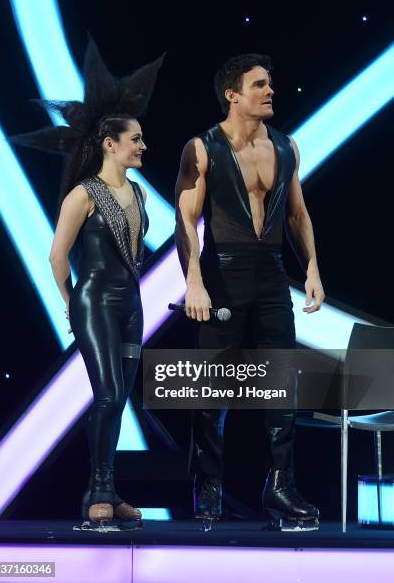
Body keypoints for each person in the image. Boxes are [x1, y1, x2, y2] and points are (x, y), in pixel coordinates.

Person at [12, 37, 164, 529]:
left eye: (142, 139)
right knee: (106, 393)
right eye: (135, 139)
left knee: (119, 398)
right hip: (94, 300)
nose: (143, 146)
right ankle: (97, 491)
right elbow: (57, 254)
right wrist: (69, 302)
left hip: (131, 304)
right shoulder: (83, 193)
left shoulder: (139, 193)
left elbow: (138, 251)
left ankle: (109, 486)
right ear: (109, 144)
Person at [175, 53, 324, 531]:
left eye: (270, 84)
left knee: (280, 382)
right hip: (222, 274)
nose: (270, 91)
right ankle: (209, 486)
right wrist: (194, 281)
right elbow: (186, 221)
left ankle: (280, 487)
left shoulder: (286, 146)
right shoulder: (202, 148)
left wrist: (314, 270)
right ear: (232, 94)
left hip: (272, 274)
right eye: (259, 85)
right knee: (211, 388)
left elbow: (298, 215)